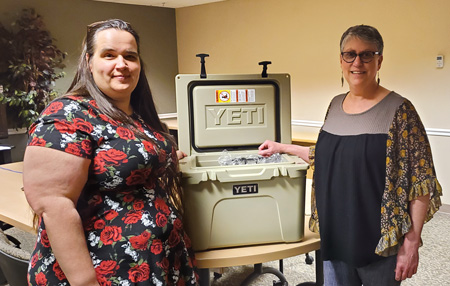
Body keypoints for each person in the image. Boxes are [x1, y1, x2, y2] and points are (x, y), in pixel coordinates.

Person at [259, 24, 442, 286]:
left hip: (379, 244)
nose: (358, 62)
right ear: (341, 59)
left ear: (379, 61)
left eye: (367, 54)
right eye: (350, 54)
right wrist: (283, 147)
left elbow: (421, 181)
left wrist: (411, 244)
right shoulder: (335, 104)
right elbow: (328, 157)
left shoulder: (400, 111)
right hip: (334, 237)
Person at [23, 19, 197, 286]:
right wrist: (86, 282)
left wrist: (165, 157)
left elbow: (130, 157)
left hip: (156, 258)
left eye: (130, 56)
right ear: (89, 62)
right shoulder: (68, 114)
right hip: (104, 268)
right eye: (109, 55)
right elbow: (54, 205)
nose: (122, 64)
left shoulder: (136, 115)